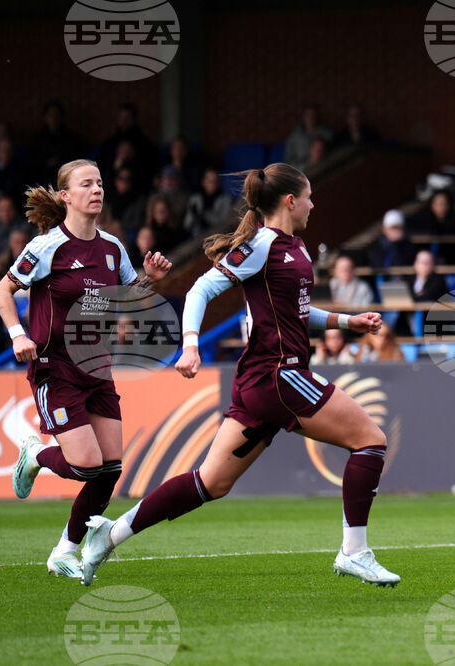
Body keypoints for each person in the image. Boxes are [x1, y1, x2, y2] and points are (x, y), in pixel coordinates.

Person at [78, 163, 400, 587]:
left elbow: (297, 314)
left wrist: (345, 322)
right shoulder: (263, 244)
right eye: (308, 197)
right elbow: (200, 289)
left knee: (210, 483)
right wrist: (190, 344)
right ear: (290, 201)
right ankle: (354, 552)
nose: (313, 203)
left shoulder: (295, 248)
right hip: (278, 375)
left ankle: (109, 534)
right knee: (371, 441)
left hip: (259, 382)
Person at [0, 159, 171, 579]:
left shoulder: (112, 247)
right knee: (87, 466)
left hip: (97, 365)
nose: (97, 190)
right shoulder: (45, 247)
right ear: (65, 196)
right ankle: (35, 454)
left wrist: (147, 279)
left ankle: (64, 550)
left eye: (99, 183)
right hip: (54, 367)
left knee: (110, 468)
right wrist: (18, 334)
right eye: (86, 184)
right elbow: (3, 289)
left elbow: (123, 295)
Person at [29, 101, 84, 185]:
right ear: (45, 118)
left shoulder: (71, 139)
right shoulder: (37, 139)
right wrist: (47, 163)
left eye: (57, 115)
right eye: (51, 115)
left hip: (65, 177)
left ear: (61, 118)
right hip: (42, 177)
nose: (54, 118)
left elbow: (75, 160)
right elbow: (33, 163)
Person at [184, 168, 234, 237]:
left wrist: (203, 215)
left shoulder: (225, 200)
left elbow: (223, 225)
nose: (212, 183)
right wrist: (194, 215)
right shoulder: (195, 198)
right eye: (209, 181)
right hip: (196, 238)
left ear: (219, 183)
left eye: (215, 181)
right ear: (203, 182)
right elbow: (187, 225)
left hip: (216, 237)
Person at [0, 196, 29, 266]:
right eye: (2, 210)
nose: (6, 213)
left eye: (9, 209)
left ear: (15, 209)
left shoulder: (24, 226)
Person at [285, 106, 333, 170]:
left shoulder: (326, 133)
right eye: (308, 115)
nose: (310, 117)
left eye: (313, 115)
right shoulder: (295, 136)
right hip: (301, 169)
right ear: (303, 117)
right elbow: (289, 159)